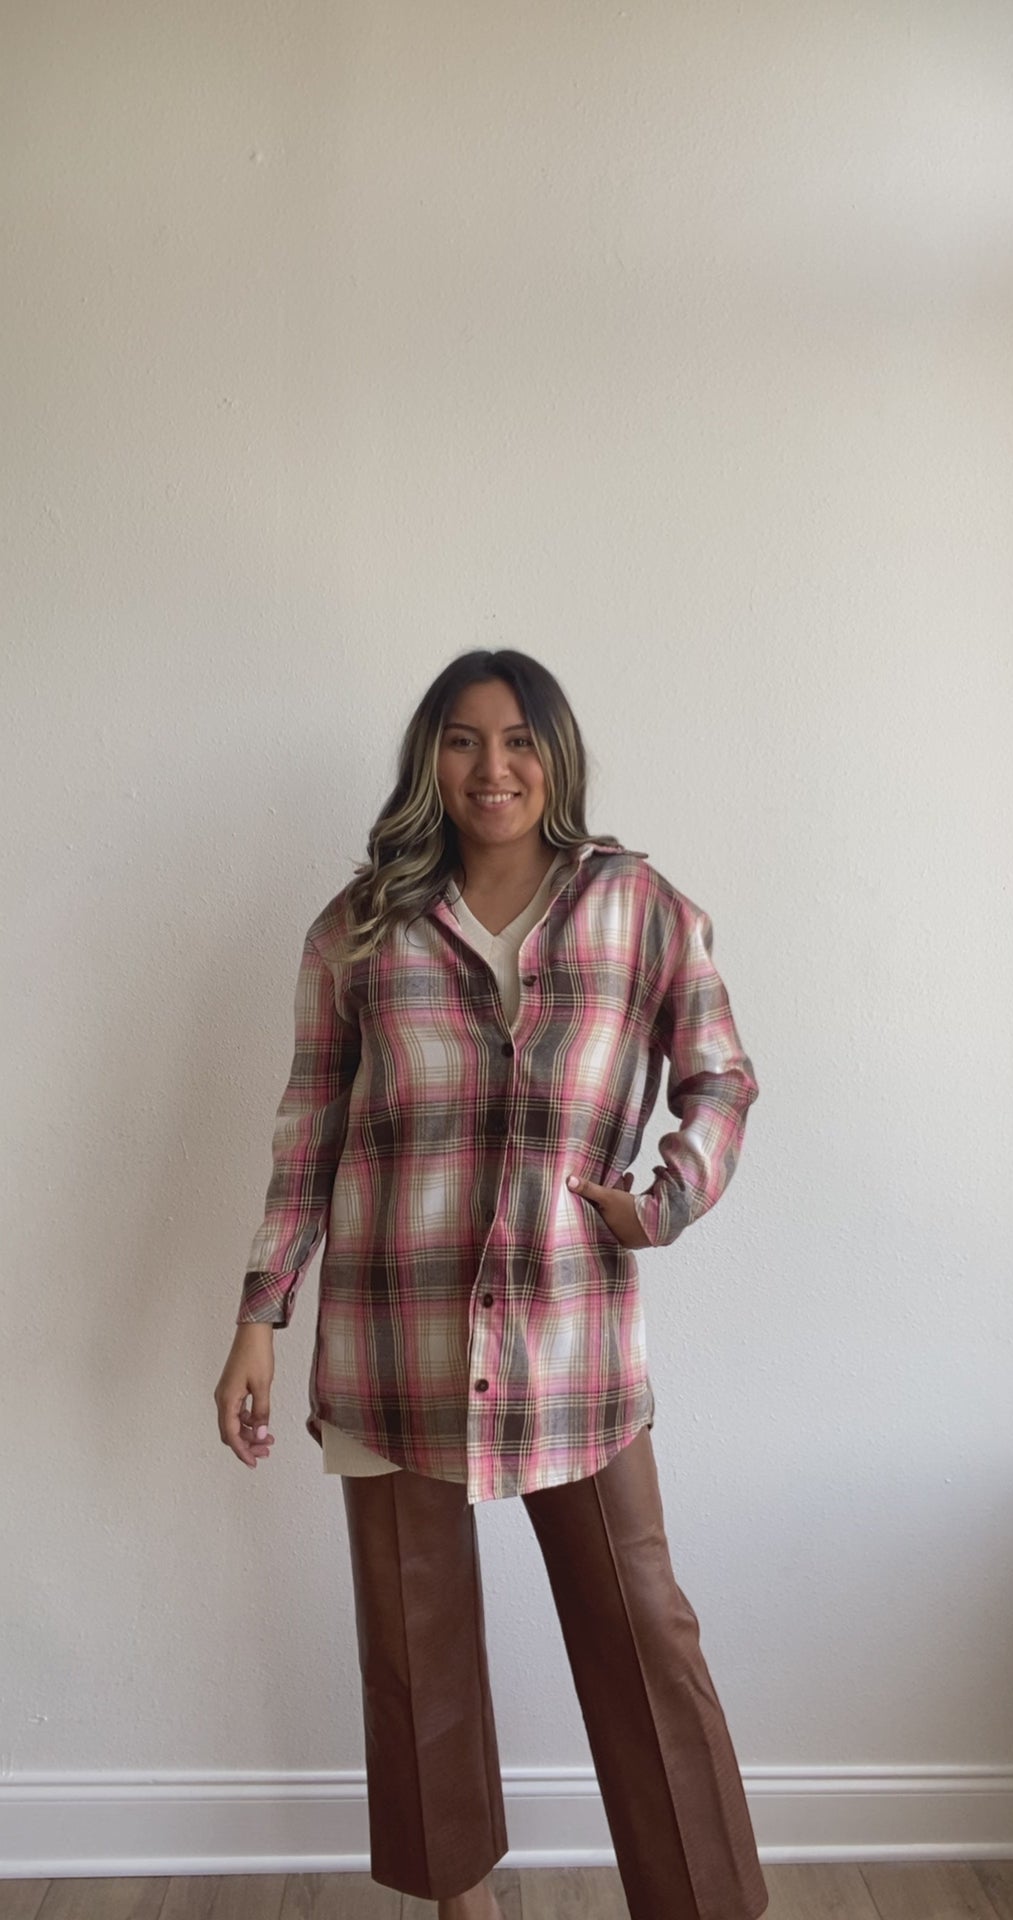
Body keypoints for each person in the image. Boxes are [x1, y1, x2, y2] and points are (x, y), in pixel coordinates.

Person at [214, 649, 769, 1920]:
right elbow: (308, 1128)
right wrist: (260, 1312)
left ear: (556, 756)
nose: (493, 768)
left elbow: (722, 1078)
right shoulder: (359, 925)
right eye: (463, 741)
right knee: (417, 1656)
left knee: (644, 1630)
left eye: (518, 740)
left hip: (572, 1343)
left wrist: (667, 1198)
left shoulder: (639, 908)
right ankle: (462, 1911)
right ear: (431, 760)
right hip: (387, 1339)